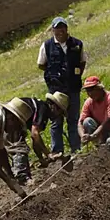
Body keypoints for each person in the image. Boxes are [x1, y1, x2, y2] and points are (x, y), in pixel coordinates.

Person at [38, 17, 86, 158]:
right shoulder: (47, 45)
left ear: (66, 29)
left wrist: (74, 75)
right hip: (56, 90)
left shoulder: (77, 44)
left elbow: (82, 61)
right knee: (56, 121)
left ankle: (76, 149)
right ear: (53, 30)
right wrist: (54, 73)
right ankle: (57, 150)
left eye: (62, 28)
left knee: (73, 118)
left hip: (73, 88)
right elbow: (41, 64)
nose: (60, 31)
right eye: (57, 28)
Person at [6, 92, 68, 183]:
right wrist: (48, 154)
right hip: (11, 118)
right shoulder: (42, 109)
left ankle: (20, 175)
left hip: (14, 119)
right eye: (60, 112)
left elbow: (35, 140)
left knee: (20, 145)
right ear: (54, 106)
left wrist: (41, 158)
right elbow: (35, 135)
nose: (59, 116)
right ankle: (22, 178)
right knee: (19, 148)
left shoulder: (41, 109)